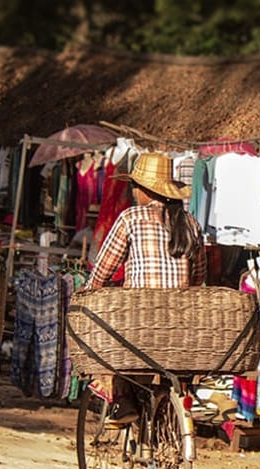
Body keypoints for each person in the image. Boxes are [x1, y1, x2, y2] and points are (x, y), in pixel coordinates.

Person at [83, 152, 205, 423]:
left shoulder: (131, 218)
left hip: (140, 322)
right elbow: (198, 277)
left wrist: (90, 291)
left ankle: (122, 398)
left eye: (136, 187)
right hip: (179, 324)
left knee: (105, 333)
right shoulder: (191, 223)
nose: (133, 191)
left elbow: (103, 269)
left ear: (147, 191)